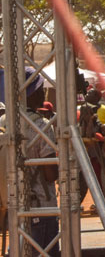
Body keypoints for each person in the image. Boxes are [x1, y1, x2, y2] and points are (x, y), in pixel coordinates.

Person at [0, 69, 59, 255]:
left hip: (13, 203)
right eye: (40, 89)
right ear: (31, 92)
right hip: (41, 208)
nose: (43, 94)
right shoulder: (41, 126)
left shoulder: (4, 121)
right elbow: (51, 175)